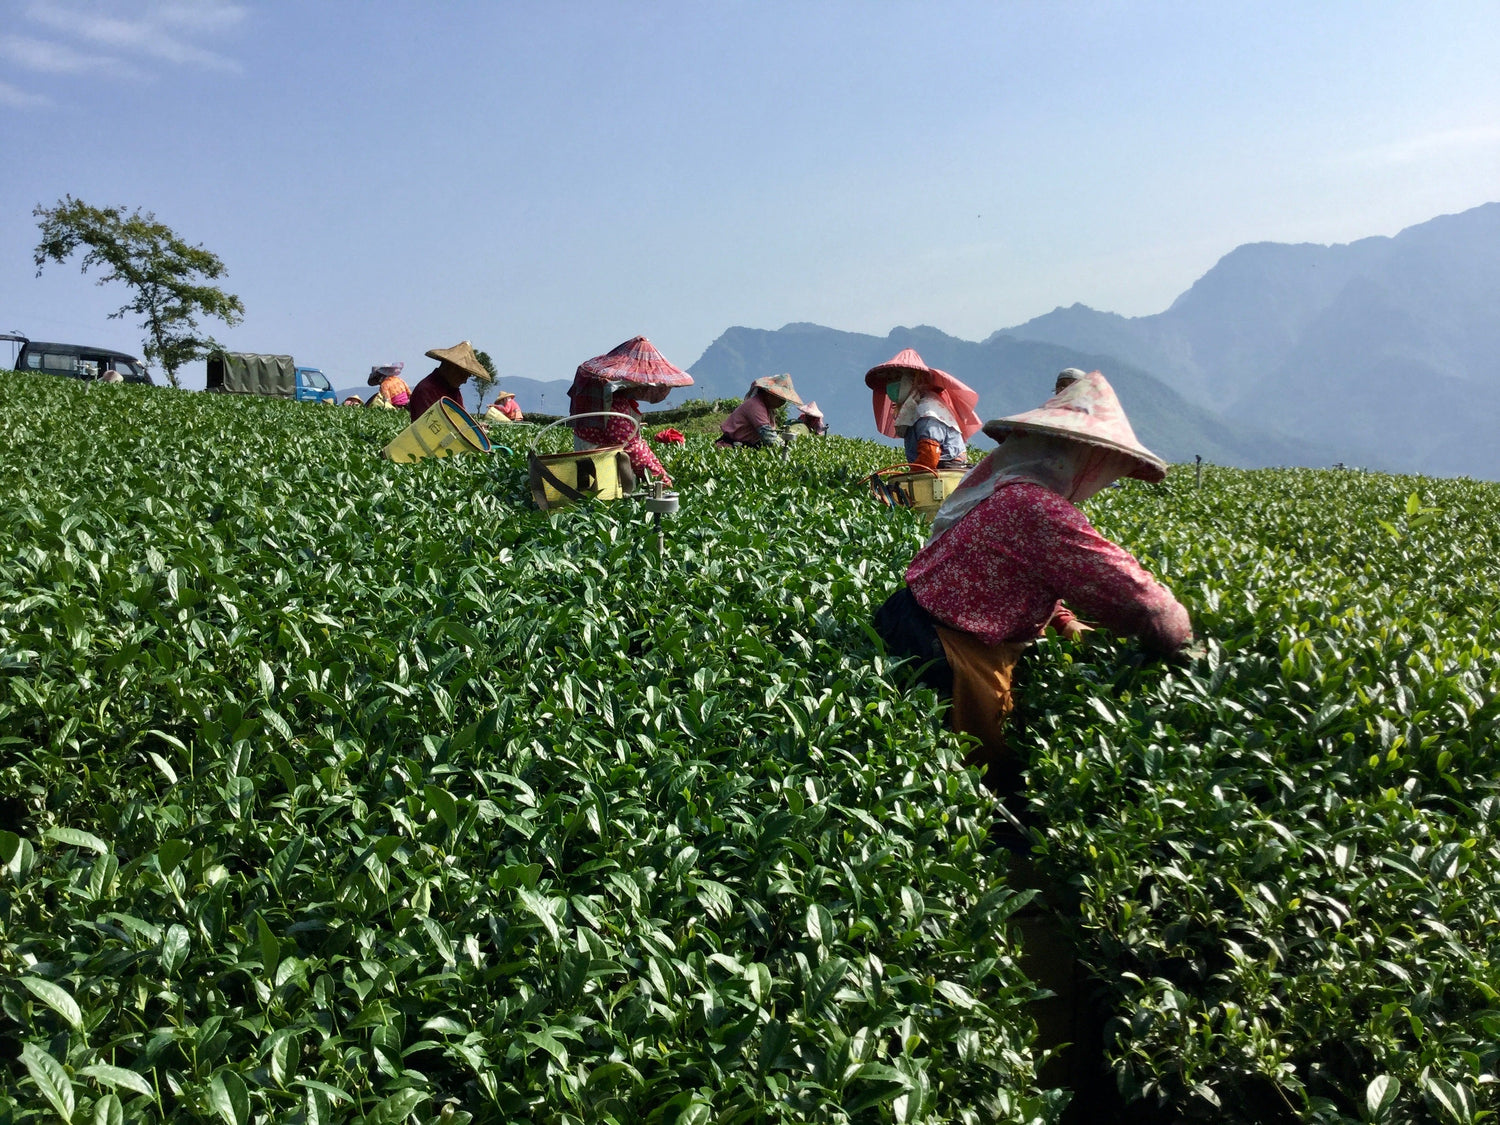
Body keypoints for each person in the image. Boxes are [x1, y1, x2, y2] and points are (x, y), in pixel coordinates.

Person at [873, 371, 1191, 794]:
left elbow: (1015, 564)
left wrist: (1061, 619)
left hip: (909, 618)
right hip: (951, 651)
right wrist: (1186, 646)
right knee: (980, 786)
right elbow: (1140, 600)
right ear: (1076, 458)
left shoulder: (1002, 485)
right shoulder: (1035, 506)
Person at [568, 336, 694, 487]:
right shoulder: (615, 407)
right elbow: (633, 449)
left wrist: (661, 472)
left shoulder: (619, 400)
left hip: (597, 465)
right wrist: (661, 479)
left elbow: (638, 444)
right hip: (599, 475)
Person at [864, 348, 982, 471]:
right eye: (889, 379)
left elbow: (929, 455)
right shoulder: (915, 407)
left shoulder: (928, 410)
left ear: (914, 378)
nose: (891, 384)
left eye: (897, 377)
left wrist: (910, 474)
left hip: (946, 475)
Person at [718, 374, 803, 447]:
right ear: (770, 395)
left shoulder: (768, 409)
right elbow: (768, 436)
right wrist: (785, 447)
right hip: (730, 448)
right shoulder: (755, 406)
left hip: (745, 448)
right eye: (780, 399)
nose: (782, 403)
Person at [407, 342, 485, 420]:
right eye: (463, 375)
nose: (464, 381)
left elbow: (461, 419)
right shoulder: (426, 389)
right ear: (451, 368)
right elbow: (432, 424)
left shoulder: (453, 391)